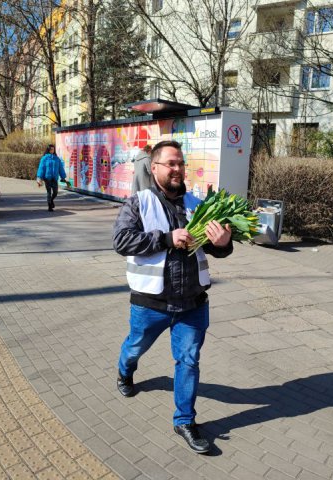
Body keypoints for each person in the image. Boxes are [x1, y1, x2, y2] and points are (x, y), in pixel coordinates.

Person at [113, 140, 233, 454]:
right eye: (171, 163)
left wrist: (222, 243)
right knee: (135, 346)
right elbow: (121, 240)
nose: (178, 169)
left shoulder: (197, 203)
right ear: (154, 168)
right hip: (151, 303)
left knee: (189, 361)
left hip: (192, 303)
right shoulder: (138, 202)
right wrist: (167, 238)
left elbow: (216, 249)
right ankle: (126, 370)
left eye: (181, 163)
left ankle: (184, 421)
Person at [36, 144, 67, 212]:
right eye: (51, 149)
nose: (52, 150)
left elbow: (60, 168)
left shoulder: (57, 158)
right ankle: (49, 206)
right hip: (47, 178)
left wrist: (63, 177)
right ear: (48, 150)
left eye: (53, 149)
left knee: (55, 192)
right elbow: (41, 168)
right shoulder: (44, 158)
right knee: (49, 192)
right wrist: (39, 178)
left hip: (54, 178)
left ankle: (51, 200)